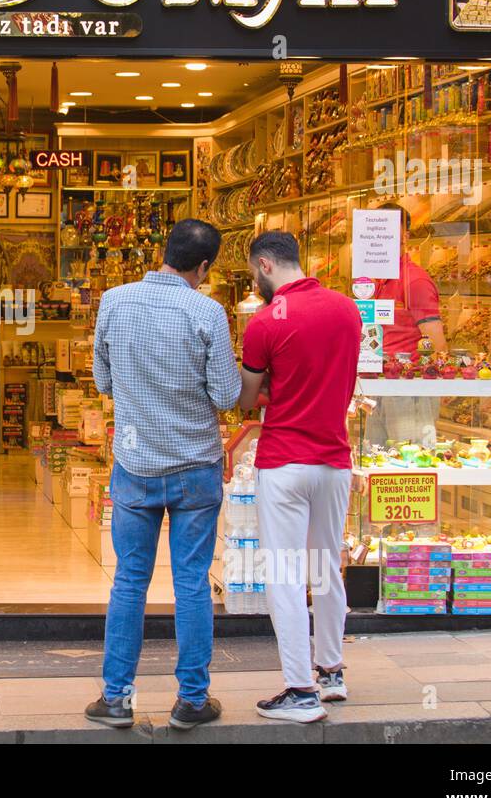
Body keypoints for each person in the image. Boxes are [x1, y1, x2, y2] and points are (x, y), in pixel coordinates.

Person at [84, 219, 240, 731]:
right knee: (191, 583)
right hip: (196, 465)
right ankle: (192, 700)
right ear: (203, 267)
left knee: (129, 580)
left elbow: (102, 380)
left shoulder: (115, 300)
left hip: (135, 465)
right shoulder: (208, 311)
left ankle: (116, 699)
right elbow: (225, 396)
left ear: (163, 253)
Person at [237, 231, 361, 723]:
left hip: (285, 460)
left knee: (286, 575)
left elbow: (246, 399)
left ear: (265, 265)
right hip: (333, 459)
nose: (255, 283)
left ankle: (299, 689)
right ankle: (331, 672)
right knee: (326, 565)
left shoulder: (264, 323)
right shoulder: (347, 310)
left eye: (252, 275)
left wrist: (267, 388)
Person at [366, 202, 445, 446]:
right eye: (376, 231)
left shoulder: (415, 281)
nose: (381, 237)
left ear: (405, 237)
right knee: (378, 463)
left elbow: (437, 346)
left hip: (408, 391)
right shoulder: (378, 282)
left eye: (388, 230)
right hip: (381, 386)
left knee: (411, 464)